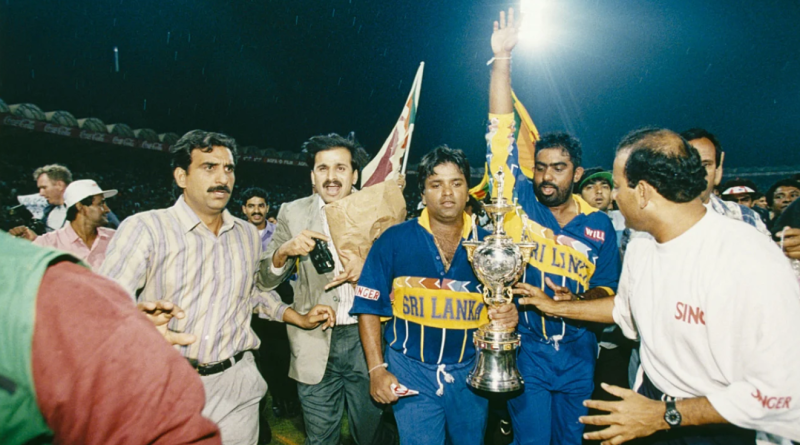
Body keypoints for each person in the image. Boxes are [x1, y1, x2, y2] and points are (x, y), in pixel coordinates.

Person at [515, 128, 800, 444]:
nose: (615, 197)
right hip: (648, 413)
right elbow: (625, 308)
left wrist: (667, 414)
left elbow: (782, 393)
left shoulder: (748, 256)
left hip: (717, 424)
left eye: (619, 187)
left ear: (643, 192)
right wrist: (558, 307)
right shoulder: (642, 245)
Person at [99, 129, 335, 445]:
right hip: (169, 383)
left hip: (237, 384)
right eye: (209, 167)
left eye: (229, 168)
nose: (222, 177)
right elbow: (105, 306)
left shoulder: (246, 235)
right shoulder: (145, 229)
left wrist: (299, 318)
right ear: (181, 176)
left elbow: (253, 294)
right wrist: (137, 325)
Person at [488, 9, 622, 445]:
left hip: (581, 354)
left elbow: (608, 290)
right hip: (529, 351)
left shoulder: (599, 224)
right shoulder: (520, 201)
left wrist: (577, 299)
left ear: (576, 173)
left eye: (559, 168)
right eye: (541, 168)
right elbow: (500, 133)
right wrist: (503, 59)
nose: (547, 177)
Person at [351, 146, 518, 445]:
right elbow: (368, 306)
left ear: (469, 190)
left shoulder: (492, 246)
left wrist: (509, 314)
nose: (447, 193)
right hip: (410, 372)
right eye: (436, 184)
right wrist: (376, 370)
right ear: (423, 193)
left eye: (456, 183)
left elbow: (508, 303)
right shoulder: (394, 239)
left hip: (470, 373)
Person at [0, 230, 221, 445]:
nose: (106, 208)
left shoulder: (50, 283)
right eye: (98, 202)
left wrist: (125, 333)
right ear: (82, 206)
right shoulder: (48, 255)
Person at [257, 133, 383, 445]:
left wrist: (370, 271)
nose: (331, 177)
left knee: (370, 436)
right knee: (320, 439)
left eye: (341, 168)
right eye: (322, 168)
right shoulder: (292, 212)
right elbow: (264, 281)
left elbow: (402, 278)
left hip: (367, 339)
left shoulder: (379, 209)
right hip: (312, 341)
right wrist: (284, 251)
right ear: (312, 176)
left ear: (355, 175)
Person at [11, 179, 117, 269]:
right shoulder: (47, 244)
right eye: (100, 204)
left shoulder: (116, 238)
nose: (107, 210)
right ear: (80, 206)